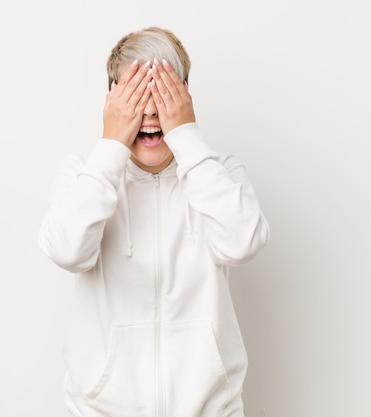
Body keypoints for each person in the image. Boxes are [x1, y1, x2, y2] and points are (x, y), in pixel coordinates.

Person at [38, 26, 270, 417]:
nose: (148, 111)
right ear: (112, 101)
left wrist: (187, 137)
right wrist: (112, 145)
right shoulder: (83, 174)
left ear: (184, 98)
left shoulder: (219, 173)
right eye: (135, 95)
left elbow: (244, 241)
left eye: (161, 93)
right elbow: (66, 251)